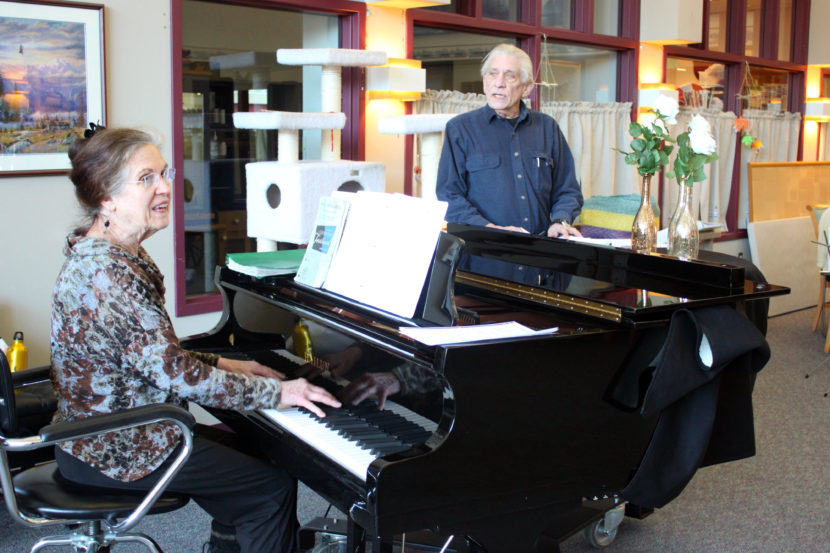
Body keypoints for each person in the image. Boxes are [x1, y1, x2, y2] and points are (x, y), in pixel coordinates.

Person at [50, 125, 341, 553]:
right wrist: (277, 391)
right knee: (268, 488)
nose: (165, 187)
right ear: (105, 198)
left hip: (109, 432)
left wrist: (225, 364)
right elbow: (176, 375)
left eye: (165, 173)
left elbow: (147, 355)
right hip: (118, 447)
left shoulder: (110, 252)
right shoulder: (107, 274)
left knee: (261, 454)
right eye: (146, 178)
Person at [437, 43, 583, 239]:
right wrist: (491, 229)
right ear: (484, 81)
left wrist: (560, 221)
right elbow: (450, 197)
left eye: (510, 75)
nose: (499, 83)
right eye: (493, 74)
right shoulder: (460, 129)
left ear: (526, 88)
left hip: (539, 252)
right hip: (485, 252)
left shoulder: (548, 128)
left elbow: (568, 190)